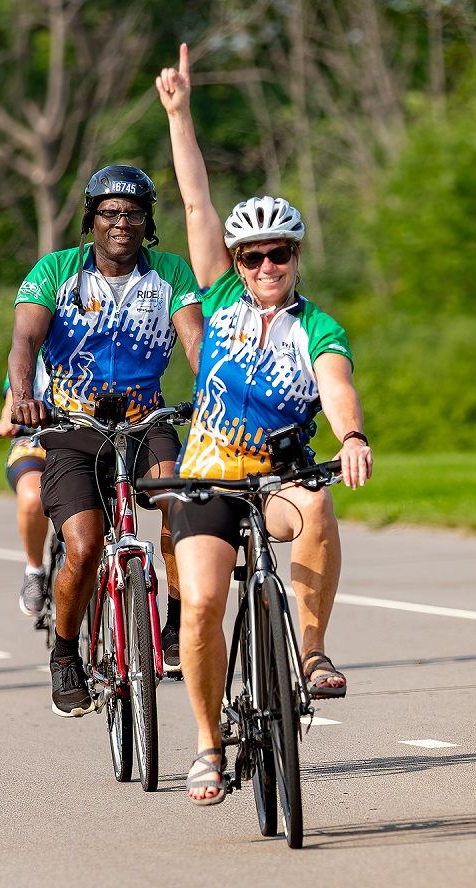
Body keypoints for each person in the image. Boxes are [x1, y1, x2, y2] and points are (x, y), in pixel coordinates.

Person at [156, 44, 373, 804]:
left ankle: (311, 653)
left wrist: (349, 437)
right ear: (236, 263)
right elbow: (193, 205)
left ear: (295, 257)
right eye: (252, 257)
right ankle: (210, 746)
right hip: (209, 475)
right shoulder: (217, 304)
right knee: (206, 603)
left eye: (278, 255)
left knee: (318, 504)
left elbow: (336, 385)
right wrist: (181, 115)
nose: (265, 268)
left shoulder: (318, 326)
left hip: (280, 477)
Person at [8, 164, 205, 717]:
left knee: (181, 508)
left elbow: (197, 342)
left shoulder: (170, 273)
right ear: (91, 219)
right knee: (86, 545)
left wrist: (214, 394)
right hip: (74, 427)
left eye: (135, 214)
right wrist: (23, 394)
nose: (123, 223)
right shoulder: (57, 271)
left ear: (148, 223)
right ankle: (66, 654)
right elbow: (25, 339)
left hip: (147, 421)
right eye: (111, 213)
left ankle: (170, 622)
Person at [0, 354, 51, 619]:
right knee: (32, 498)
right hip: (34, 442)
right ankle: (34, 569)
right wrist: (7, 419)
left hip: (85, 438)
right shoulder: (31, 346)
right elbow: (12, 399)